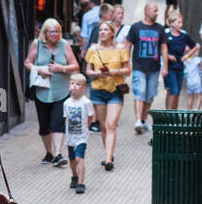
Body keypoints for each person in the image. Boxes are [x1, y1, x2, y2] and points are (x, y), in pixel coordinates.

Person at [23, 18, 79, 168]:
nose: (55, 34)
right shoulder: (37, 44)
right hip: (42, 91)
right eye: (52, 31)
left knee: (58, 123)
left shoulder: (65, 45)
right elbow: (27, 62)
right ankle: (49, 153)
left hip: (61, 91)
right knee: (44, 126)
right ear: (45, 33)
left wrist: (62, 68)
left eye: (58, 31)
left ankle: (58, 154)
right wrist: (39, 69)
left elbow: (75, 65)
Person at [85, 21, 130, 171]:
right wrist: (98, 73)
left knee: (111, 125)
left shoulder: (121, 48)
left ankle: (108, 158)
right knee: (103, 126)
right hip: (98, 90)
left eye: (106, 30)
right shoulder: (93, 49)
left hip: (115, 90)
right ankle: (108, 153)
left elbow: (128, 69)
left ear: (112, 33)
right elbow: (88, 71)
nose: (102, 32)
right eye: (101, 30)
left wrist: (114, 72)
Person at [127, 2, 169, 134]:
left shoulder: (160, 29)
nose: (157, 13)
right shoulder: (135, 27)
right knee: (140, 93)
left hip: (154, 68)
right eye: (155, 11)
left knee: (150, 95)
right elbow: (127, 45)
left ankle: (144, 120)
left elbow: (164, 48)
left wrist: (165, 66)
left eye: (157, 11)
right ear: (147, 11)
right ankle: (138, 120)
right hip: (139, 66)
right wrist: (126, 63)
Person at [61, 73, 97, 194]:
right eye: (72, 84)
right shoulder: (66, 103)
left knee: (79, 158)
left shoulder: (86, 102)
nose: (74, 86)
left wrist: (86, 128)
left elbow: (90, 117)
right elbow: (66, 119)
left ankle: (81, 183)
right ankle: (74, 176)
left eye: (78, 84)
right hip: (70, 136)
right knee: (71, 159)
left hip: (81, 136)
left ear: (83, 87)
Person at [162, 9, 199, 110]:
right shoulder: (166, 34)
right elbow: (161, 48)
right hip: (169, 67)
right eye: (178, 22)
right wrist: (168, 56)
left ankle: (173, 112)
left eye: (181, 22)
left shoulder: (183, 35)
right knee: (172, 90)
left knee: (176, 91)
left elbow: (195, 46)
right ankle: (169, 113)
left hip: (179, 66)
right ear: (171, 23)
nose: (180, 24)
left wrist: (186, 56)